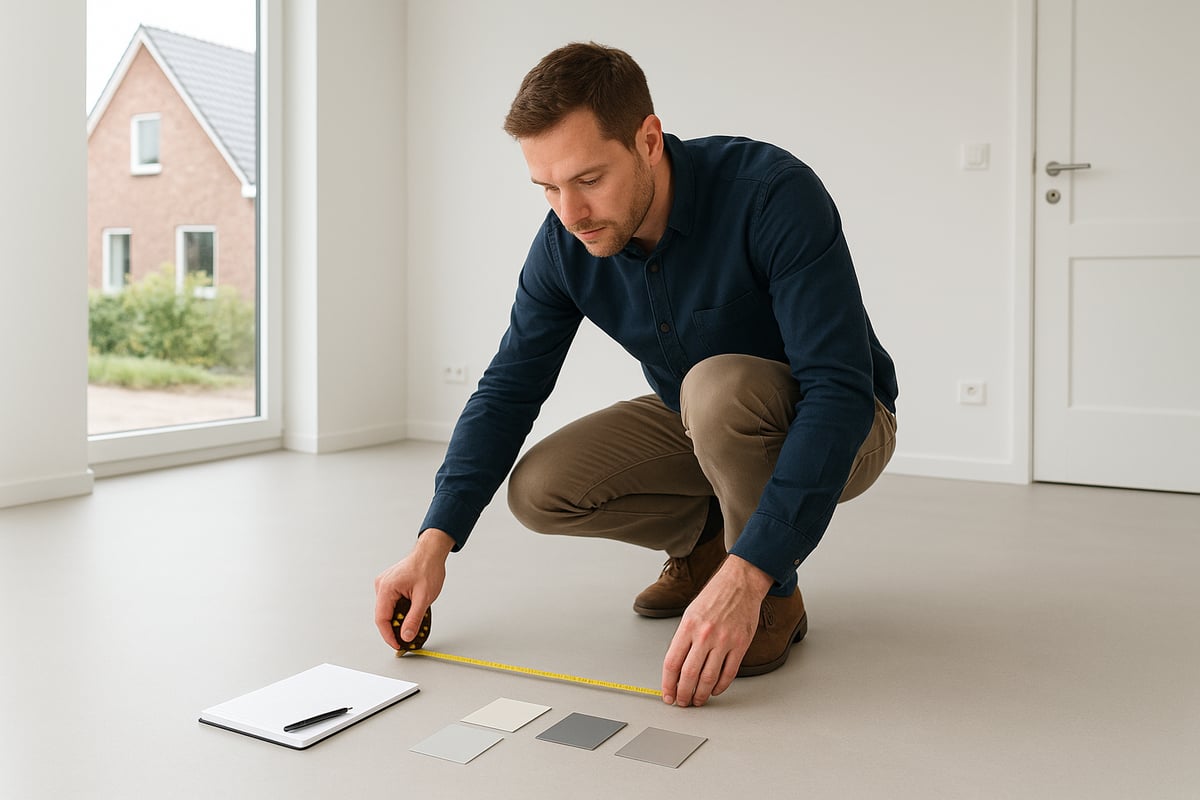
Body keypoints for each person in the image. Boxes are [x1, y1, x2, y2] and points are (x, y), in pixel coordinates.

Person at [374, 42, 898, 708]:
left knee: (717, 391)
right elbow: (508, 389)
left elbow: (839, 389)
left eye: (589, 178)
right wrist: (432, 543)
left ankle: (772, 594)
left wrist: (756, 572)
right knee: (540, 489)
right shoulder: (565, 242)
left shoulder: (770, 193)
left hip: (850, 422)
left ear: (648, 139)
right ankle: (707, 545)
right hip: (701, 417)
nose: (570, 211)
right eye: (548, 187)